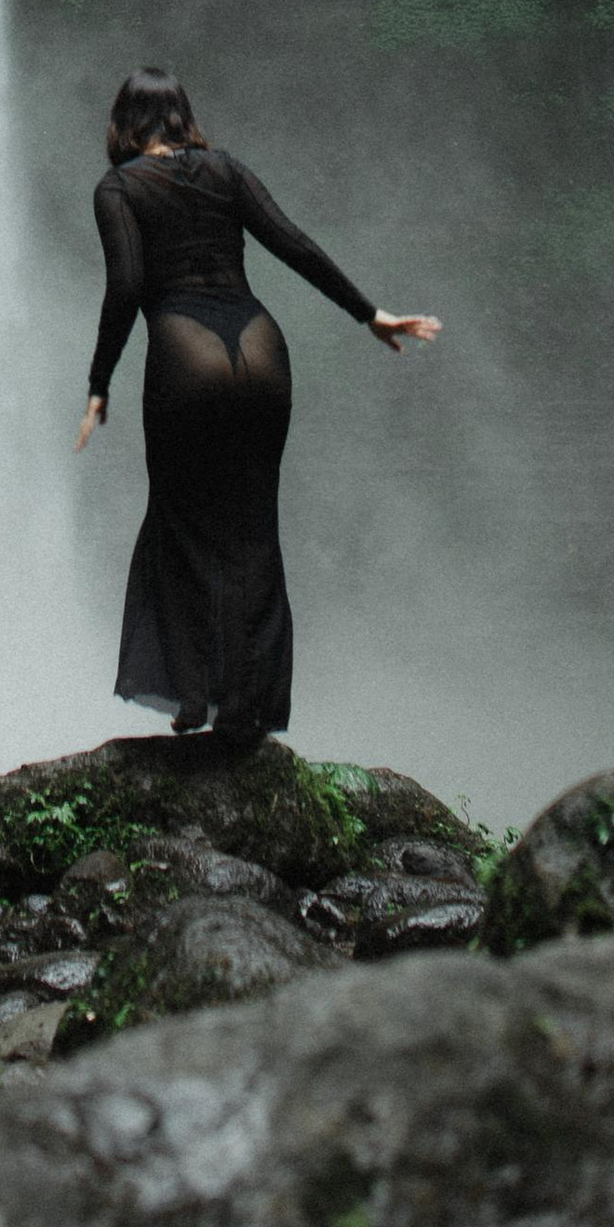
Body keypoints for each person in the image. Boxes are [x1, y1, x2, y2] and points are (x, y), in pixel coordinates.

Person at [74, 66, 440, 744]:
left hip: (186, 354)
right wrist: (372, 315)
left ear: (123, 124)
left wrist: (100, 383)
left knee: (183, 524)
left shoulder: (118, 188)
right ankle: (245, 706)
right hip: (261, 348)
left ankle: (191, 700)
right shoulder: (226, 170)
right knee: (251, 530)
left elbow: (125, 287)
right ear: (184, 118)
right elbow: (295, 245)